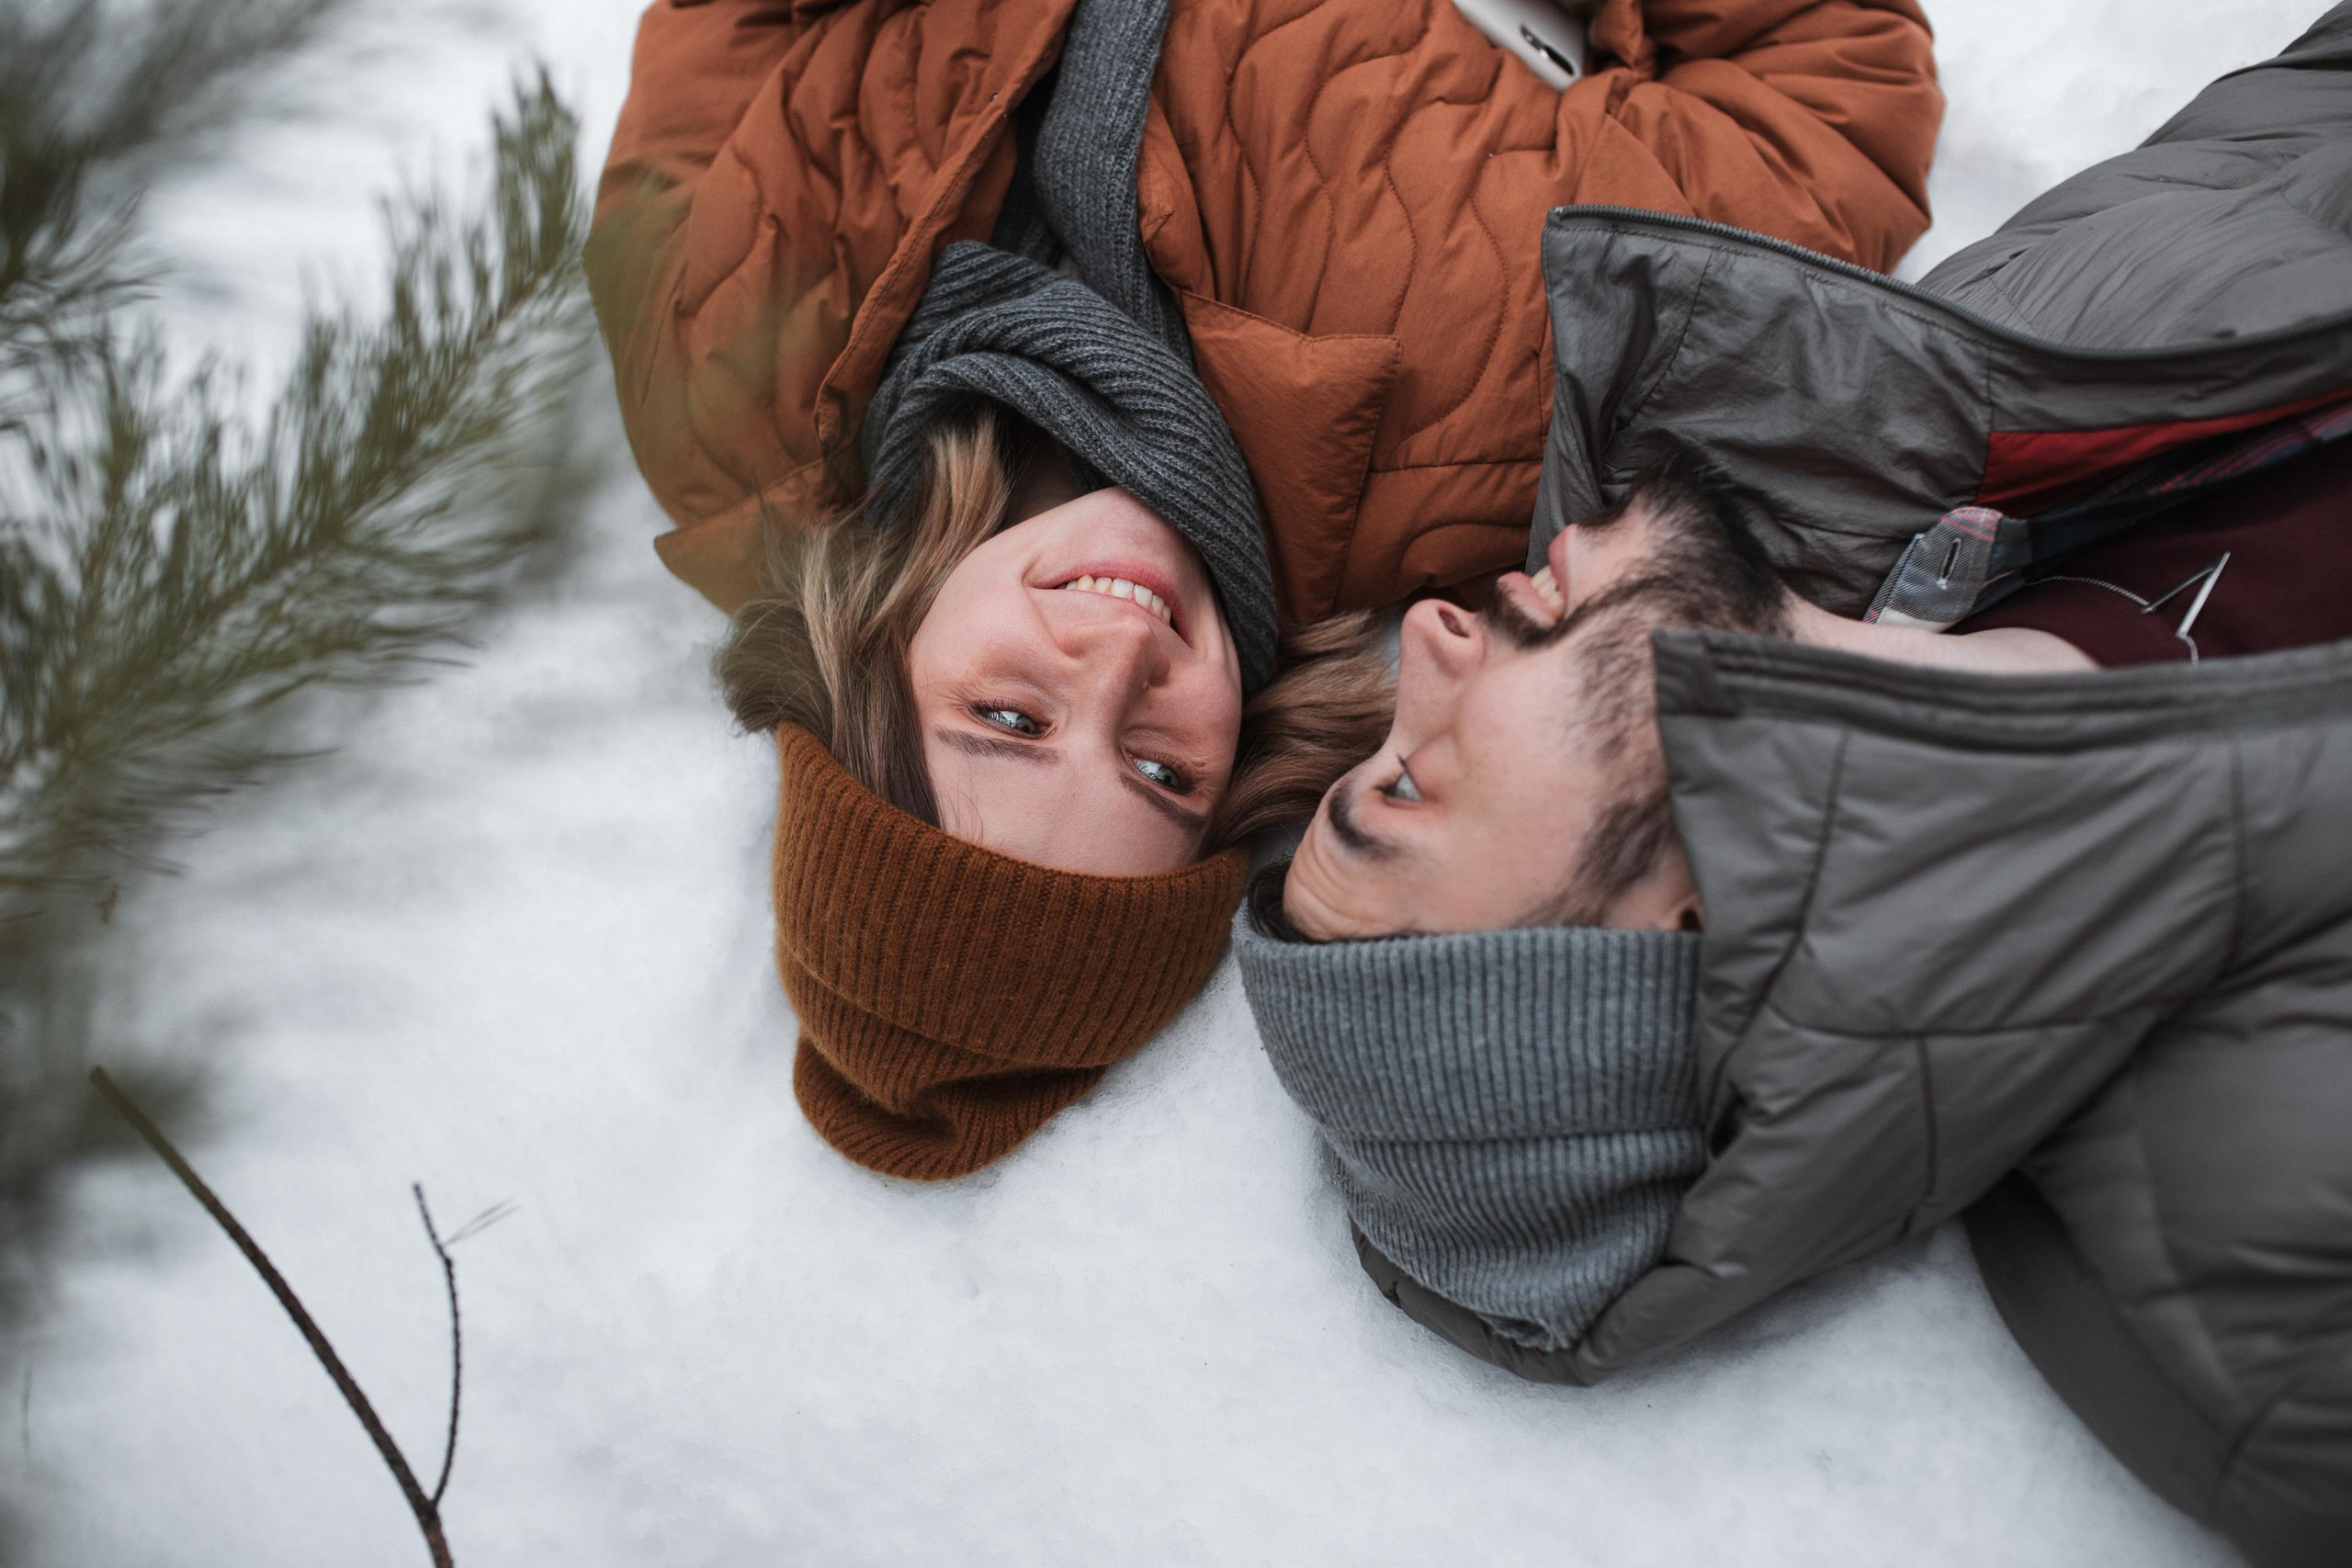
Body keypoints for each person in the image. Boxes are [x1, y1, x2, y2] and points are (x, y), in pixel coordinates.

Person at [1234, 12, 2352, 1566]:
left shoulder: (1916, 403)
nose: (1427, 636)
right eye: (1412, 784)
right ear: (1655, 941)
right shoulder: (2261, 1255)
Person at [584, 0, 1945, 1179]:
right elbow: (1828, 104)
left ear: (869, 669)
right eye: (1162, 772)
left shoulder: (713, 388)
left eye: (1008, 717)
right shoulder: (1498, 441)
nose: (1122, 660)